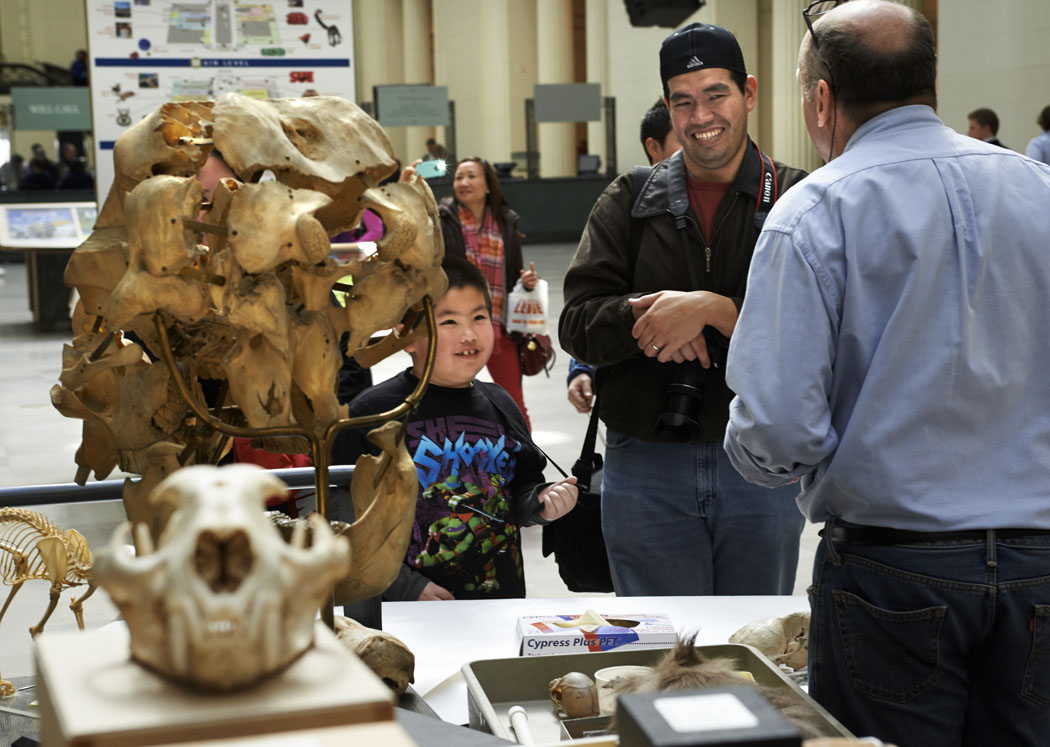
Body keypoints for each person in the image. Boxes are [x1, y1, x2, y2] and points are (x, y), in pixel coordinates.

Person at [723, 2, 1050, 745]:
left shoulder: (816, 212)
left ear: (822, 99)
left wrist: (759, 460)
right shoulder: (1042, 192)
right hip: (1040, 566)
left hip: (893, 577)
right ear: (927, 83)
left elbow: (778, 428)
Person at [559, 23, 807, 596]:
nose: (700, 116)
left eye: (715, 94)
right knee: (658, 655)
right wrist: (649, 319)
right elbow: (577, 323)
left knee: (750, 651)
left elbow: (829, 335)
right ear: (668, 108)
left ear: (748, 93)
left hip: (762, 463)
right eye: (683, 101)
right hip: (645, 466)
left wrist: (716, 312)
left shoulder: (801, 200)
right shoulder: (628, 201)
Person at [332, 257, 578, 601]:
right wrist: (406, 586)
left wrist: (541, 502)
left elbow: (521, 486)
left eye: (479, 317)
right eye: (449, 321)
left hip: (498, 603)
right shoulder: (371, 413)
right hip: (409, 613)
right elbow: (341, 520)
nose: (469, 334)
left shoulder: (500, 403)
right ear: (406, 335)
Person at [567, 99, 682, 415]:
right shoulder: (625, 206)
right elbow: (592, 300)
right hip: (639, 409)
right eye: (682, 137)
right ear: (653, 147)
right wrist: (582, 367)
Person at [439, 157, 539, 427]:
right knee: (450, 403)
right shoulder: (443, 219)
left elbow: (513, 276)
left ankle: (525, 464)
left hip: (499, 326)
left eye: (471, 176)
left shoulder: (505, 222)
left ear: (487, 185)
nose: (463, 183)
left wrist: (526, 283)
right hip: (454, 329)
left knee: (514, 406)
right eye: (459, 177)